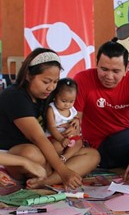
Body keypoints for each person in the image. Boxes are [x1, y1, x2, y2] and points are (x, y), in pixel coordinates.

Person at [0, 48, 99, 190]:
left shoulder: (46, 95)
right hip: (15, 154)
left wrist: (74, 122)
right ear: (28, 75)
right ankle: (55, 173)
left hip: (43, 151)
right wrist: (63, 171)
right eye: (46, 81)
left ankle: (45, 180)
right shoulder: (15, 96)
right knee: (32, 154)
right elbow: (38, 138)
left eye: (55, 82)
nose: (51, 87)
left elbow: (65, 112)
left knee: (92, 154)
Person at [73, 39, 129, 183]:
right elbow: (75, 121)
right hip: (103, 149)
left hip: (128, 142)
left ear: (126, 69)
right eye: (104, 69)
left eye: (116, 71)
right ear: (96, 64)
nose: (109, 77)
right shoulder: (82, 79)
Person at [45, 78, 83, 164]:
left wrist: (76, 120)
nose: (67, 104)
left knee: (79, 143)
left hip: (69, 136)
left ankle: (65, 157)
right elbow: (51, 128)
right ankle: (53, 162)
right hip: (55, 137)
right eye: (63, 101)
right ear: (55, 96)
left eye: (71, 101)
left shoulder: (72, 109)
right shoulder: (51, 109)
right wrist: (61, 139)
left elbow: (76, 117)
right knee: (57, 146)